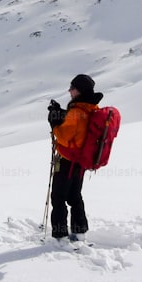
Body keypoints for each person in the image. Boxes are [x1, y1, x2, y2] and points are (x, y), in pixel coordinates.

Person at [46, 73, 103, 243]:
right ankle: (79, 233)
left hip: (67, 160)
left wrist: (54, 122)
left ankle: (60, 237)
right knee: (74, 196)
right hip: (82, 161)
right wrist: (63, 114)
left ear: (79, 90)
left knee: (58, 197)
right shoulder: (91, 108)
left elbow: (64, 137)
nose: (69, 91)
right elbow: (79, 127)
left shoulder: (76, 111)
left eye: (72, 88)